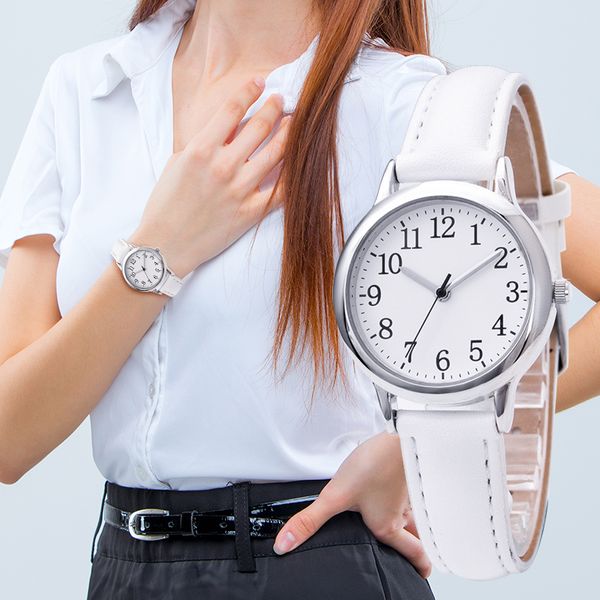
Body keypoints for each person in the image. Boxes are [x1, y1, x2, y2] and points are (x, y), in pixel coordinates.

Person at [0, 0, 598, 598]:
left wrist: (419, 446)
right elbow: (9, 437)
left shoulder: (406, 104)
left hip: (319, 564)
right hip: (124, 570)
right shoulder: (87, 89)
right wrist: (160, 250)